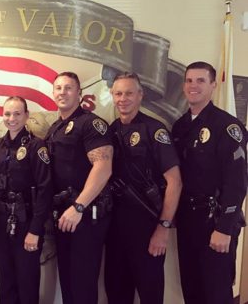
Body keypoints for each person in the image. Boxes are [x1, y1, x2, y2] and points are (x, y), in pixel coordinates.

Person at [172, 61, 247, 304]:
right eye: (189, 80)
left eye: (201, 80)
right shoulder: (180, 127)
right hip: (188, 220)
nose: (193, 86)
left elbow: (236, 182)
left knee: (216, 293)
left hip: (215, 220)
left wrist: (225, 228)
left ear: (213, 85)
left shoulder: (227, 126)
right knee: (191, 289)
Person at [104, 72, 182, 304]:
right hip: (115, 229)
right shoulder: (110, 130)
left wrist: (163, 228)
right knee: (116, 292)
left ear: (140, 95)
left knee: (150, 294)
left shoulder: (154, 130)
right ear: (112, 95)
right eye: (118, 93)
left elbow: (175, 181)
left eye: (129, 93)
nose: (123, 98)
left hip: (147, 227)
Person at [44, 71, 113, 304]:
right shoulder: (56, 127)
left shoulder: (91, 124)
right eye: (59, 88)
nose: (62, 92)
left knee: (83, 284)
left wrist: (79, 206)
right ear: (53, 93)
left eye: (68, 88)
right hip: (64, 215)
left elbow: (103, 167)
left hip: (85, 215)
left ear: (79, 93)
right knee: (68, 283)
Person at [0, 96, 52, 304]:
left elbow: (45, 190)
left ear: (26, 116)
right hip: (1, 222)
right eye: (7, 113)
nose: (12, 118)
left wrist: (35, 230)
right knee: (5, 280)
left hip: (27, 222)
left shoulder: (37, 146)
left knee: (27, 282)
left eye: (17, 113)